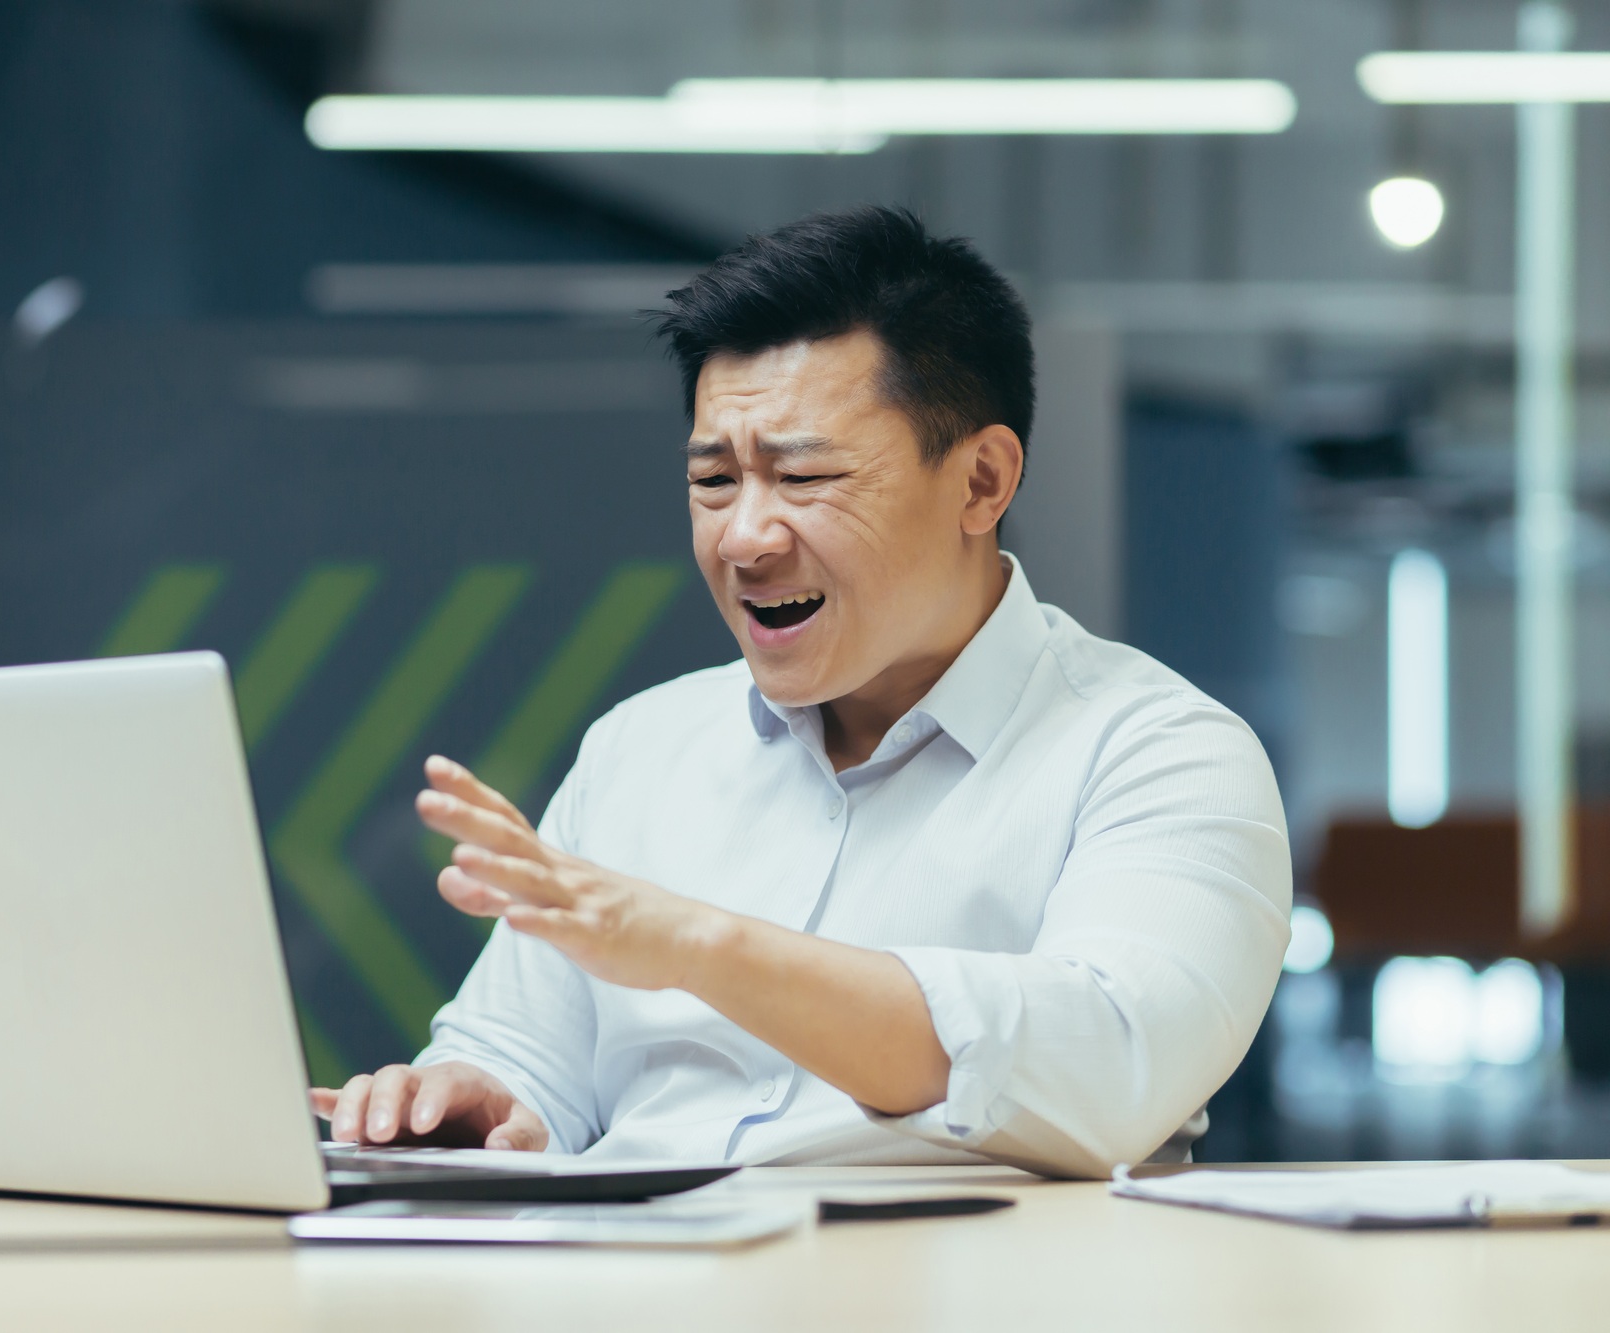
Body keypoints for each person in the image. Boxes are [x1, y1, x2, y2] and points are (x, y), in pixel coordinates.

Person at [309, 205, 1291, 1177]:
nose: (743, 537)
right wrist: (481, 1101)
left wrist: (698, 945)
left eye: (804, 475)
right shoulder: (642, 746)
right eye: (713, 481)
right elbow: (525, 1058)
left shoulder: (1156, 752)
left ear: (981, 482)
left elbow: (1113, 1065)